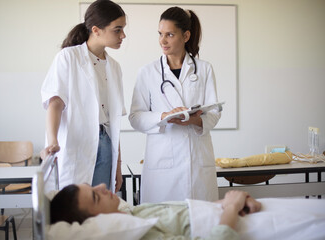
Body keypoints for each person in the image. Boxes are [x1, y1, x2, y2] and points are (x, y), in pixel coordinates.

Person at [129, 6, 221, 203]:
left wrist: (196, 121)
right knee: (163, 224)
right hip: (162, 166)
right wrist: (163, 116)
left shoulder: (204, 69)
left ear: (186, 36)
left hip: (197, 163)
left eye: (169, 34)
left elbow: (214, 112)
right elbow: (135, 118)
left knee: (201, 224)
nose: (162, 41)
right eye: (160, 34)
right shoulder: (148, 72)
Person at [40, 0, 127, 192]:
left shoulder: (114, 67)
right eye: (117, 30)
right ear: (96, 30)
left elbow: (114, 122)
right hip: (75, 144)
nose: (123, 35)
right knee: (73, 210)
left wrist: (118, 166)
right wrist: (53, 140)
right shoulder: (68, 57)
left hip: (105, 144)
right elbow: (55, 102)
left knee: (98, 210)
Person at [50, 183, 261, 239]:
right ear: (95, 221)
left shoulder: (134, 213)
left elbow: (185, 212)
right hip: (243, 224)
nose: (103, 186)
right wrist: (232, 206)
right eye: (96, 196)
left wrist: (229, 200)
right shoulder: (144, 233)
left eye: (93, 186)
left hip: (238, 210)